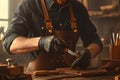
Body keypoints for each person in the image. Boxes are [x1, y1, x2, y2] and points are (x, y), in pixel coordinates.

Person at [2, 0, 103, 72]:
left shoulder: (78, 8)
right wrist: (41, 42)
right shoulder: (29, 5)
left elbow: (95, 41)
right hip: (38, 77)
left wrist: (89, 52)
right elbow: (9, 43)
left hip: (71, 76)